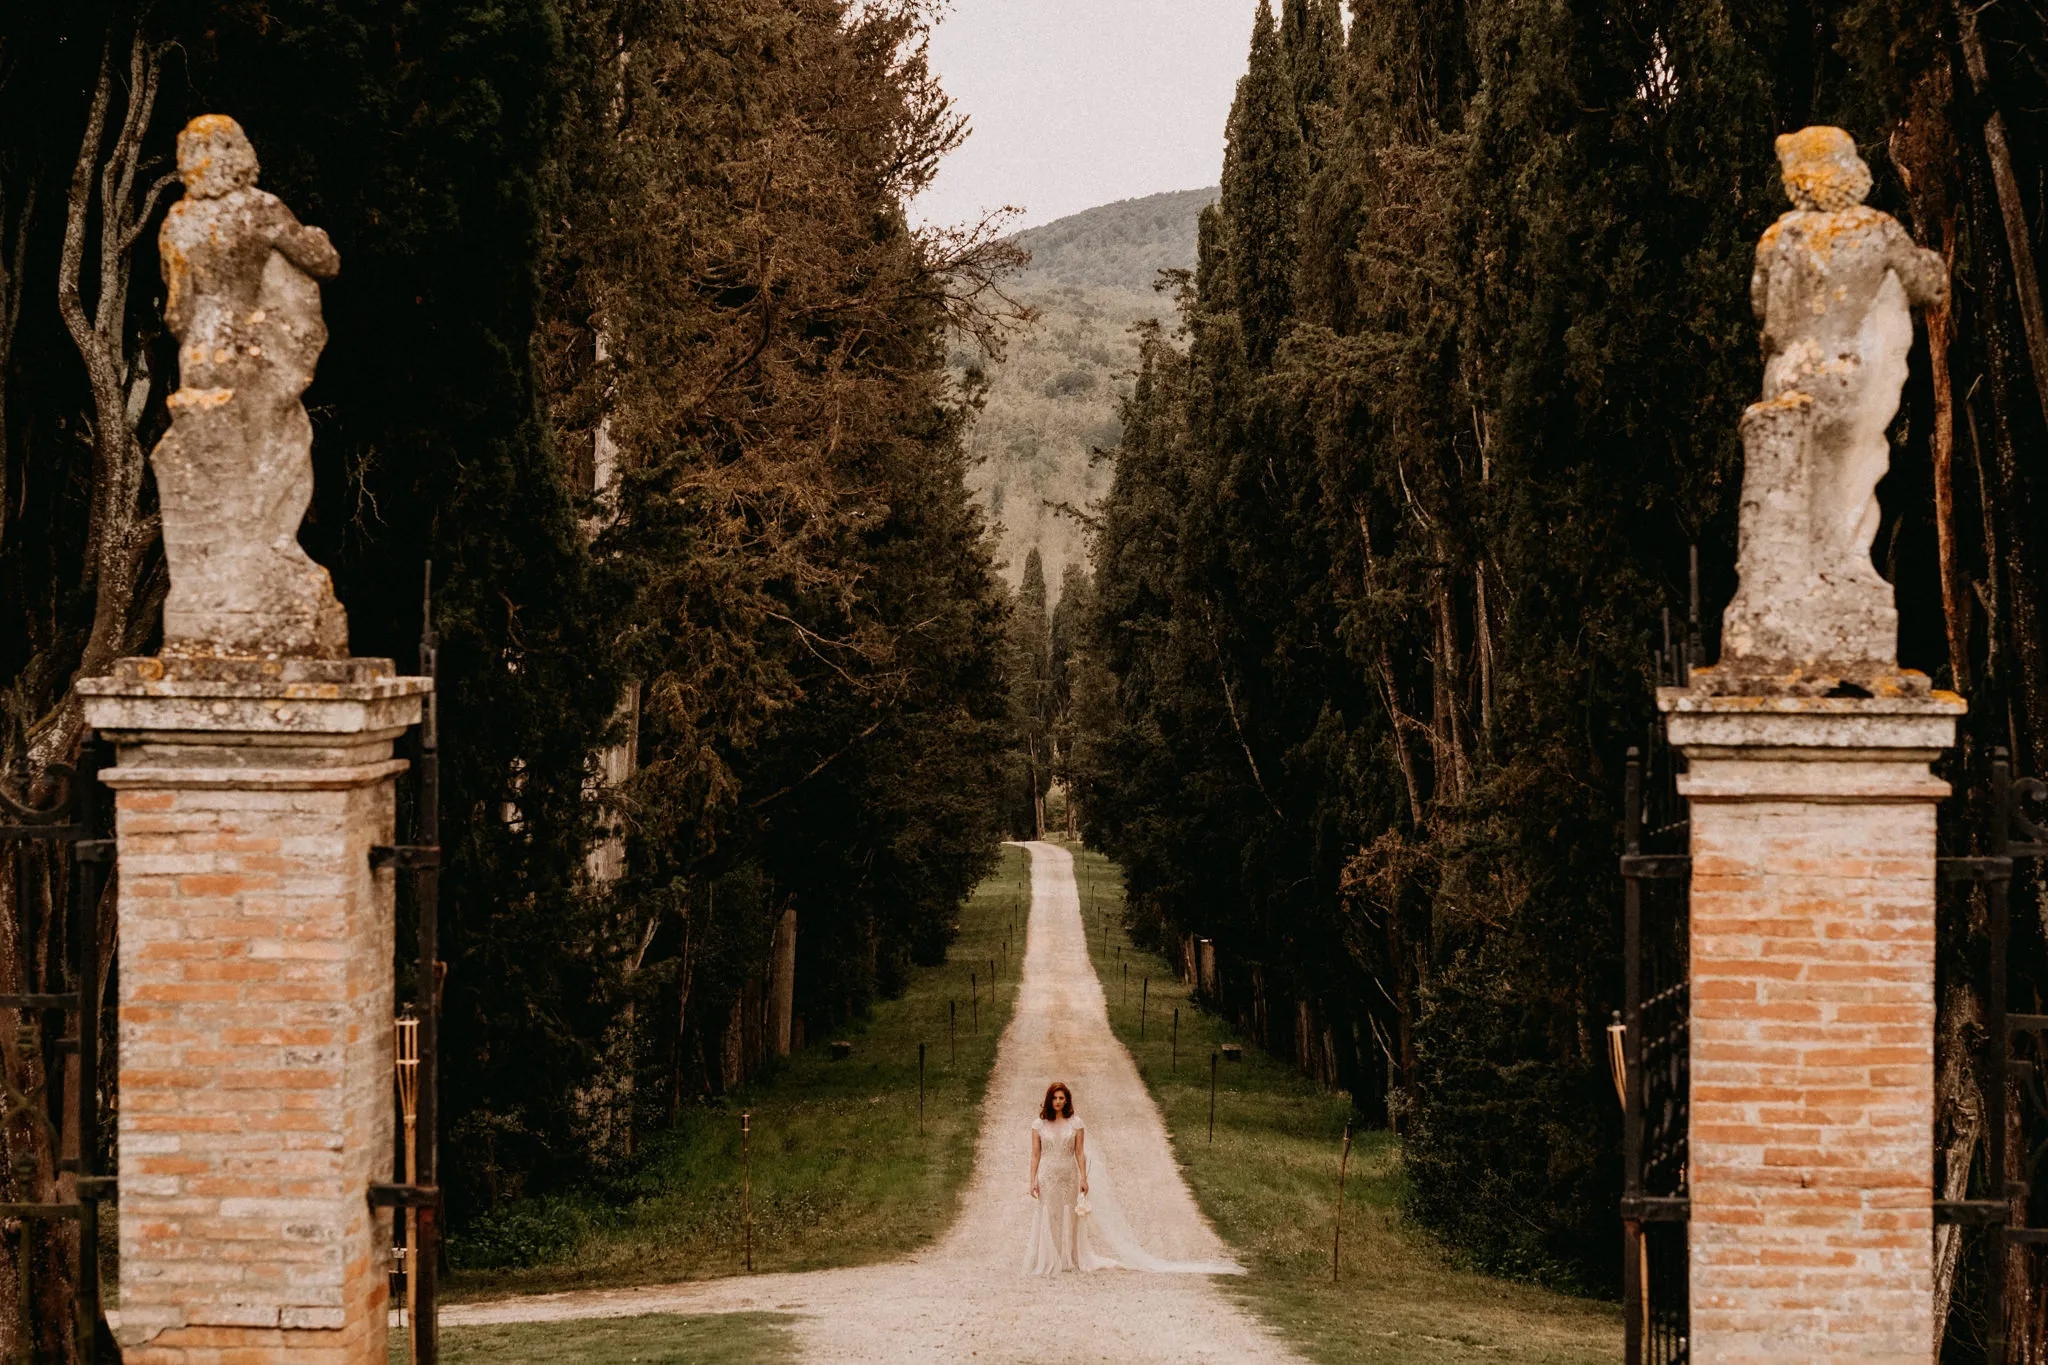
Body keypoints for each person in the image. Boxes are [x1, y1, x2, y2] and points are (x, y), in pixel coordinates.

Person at [1024, 1081, 1100, 1274]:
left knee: (1069, 1213)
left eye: (1061, 1098)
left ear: (1067, 1101)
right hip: (1048, 1174)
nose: (1058, 1102)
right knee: (1049, 1212)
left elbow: (1080, 1152)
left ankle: (1069, 1257)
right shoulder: (1038, 1125)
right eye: (1055, 1098)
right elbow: (1035, 1154)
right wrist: (1032, 1180)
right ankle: (1049, 1256)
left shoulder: (1076, 1123)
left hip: (1068, 1174)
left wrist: (1084, 1177)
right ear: (1049, 1100)